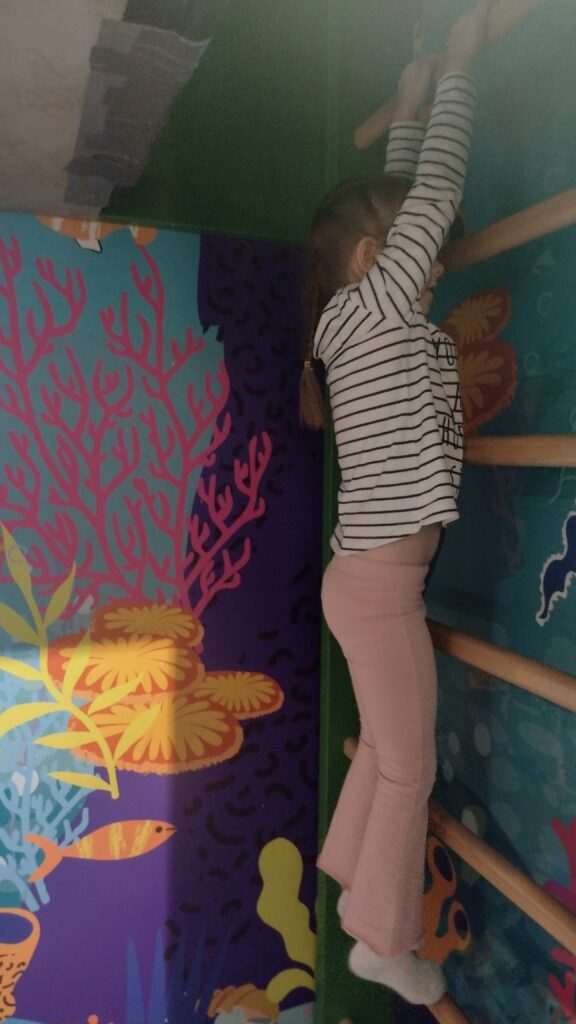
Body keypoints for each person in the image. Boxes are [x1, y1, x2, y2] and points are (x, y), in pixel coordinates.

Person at [300, 3, 489, 1007]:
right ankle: (382, 938)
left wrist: (407, 109)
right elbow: (433, 194)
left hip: (366, 583)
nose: (434, 262)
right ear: (377, 261)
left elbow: (405, 202)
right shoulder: (374, 307)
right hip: (379, 592)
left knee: (386, 746)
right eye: (417, 252)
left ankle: (350, 874)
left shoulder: (356, 315)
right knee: (408, 764)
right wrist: (458, 71)